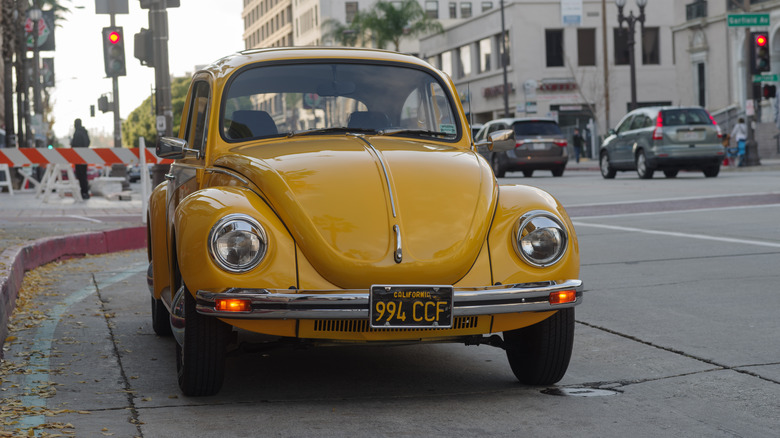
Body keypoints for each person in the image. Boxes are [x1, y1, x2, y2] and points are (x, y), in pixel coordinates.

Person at [70, 118, 91, 199]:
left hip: (79, 157)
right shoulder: (85, 132)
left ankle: (84, 192)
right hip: (85, 157)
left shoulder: (77, 133)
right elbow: (88, 142)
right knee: (84, 175)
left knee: (80, 175)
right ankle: (85, 191)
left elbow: (74, 145)